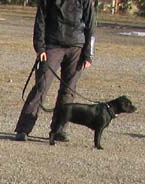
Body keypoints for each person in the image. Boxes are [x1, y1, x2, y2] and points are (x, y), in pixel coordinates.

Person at [13, 0, 96, 142]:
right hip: (52, 45)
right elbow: (40, 21)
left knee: (68, 90)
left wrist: (89, 54)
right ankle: (23, 129)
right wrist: (40, 48)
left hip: (77, 47)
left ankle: (59, 130)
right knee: (41, 87)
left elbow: (91, 25)